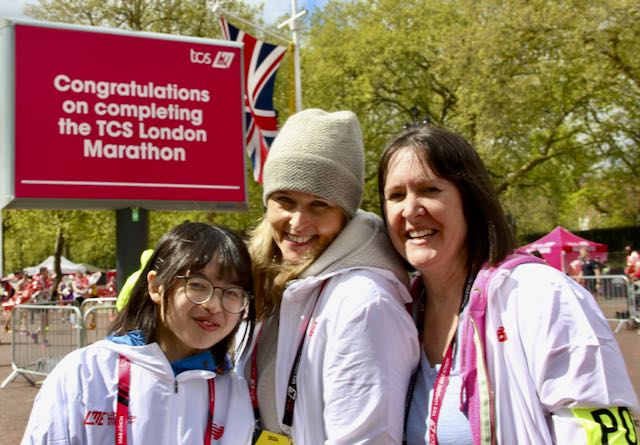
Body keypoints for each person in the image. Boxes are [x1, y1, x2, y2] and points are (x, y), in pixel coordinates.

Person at [377, 125, 639, 444]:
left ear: (470, 201)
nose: (410, 210)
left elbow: (600, 434)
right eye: (396, 195)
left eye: (430, 190)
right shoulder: (398, 313)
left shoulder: (541, 296)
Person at [238, 108, 419, 444]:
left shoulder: (365, 304)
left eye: (319, 204)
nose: (297, 222)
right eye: (285, 200)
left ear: (345, 215)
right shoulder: (268, 284)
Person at [21, 222, 256, 444]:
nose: (214, 305)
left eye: (232, 292)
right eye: (197, 285)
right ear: (156, 286)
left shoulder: (236, 393)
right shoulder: (87, 373)